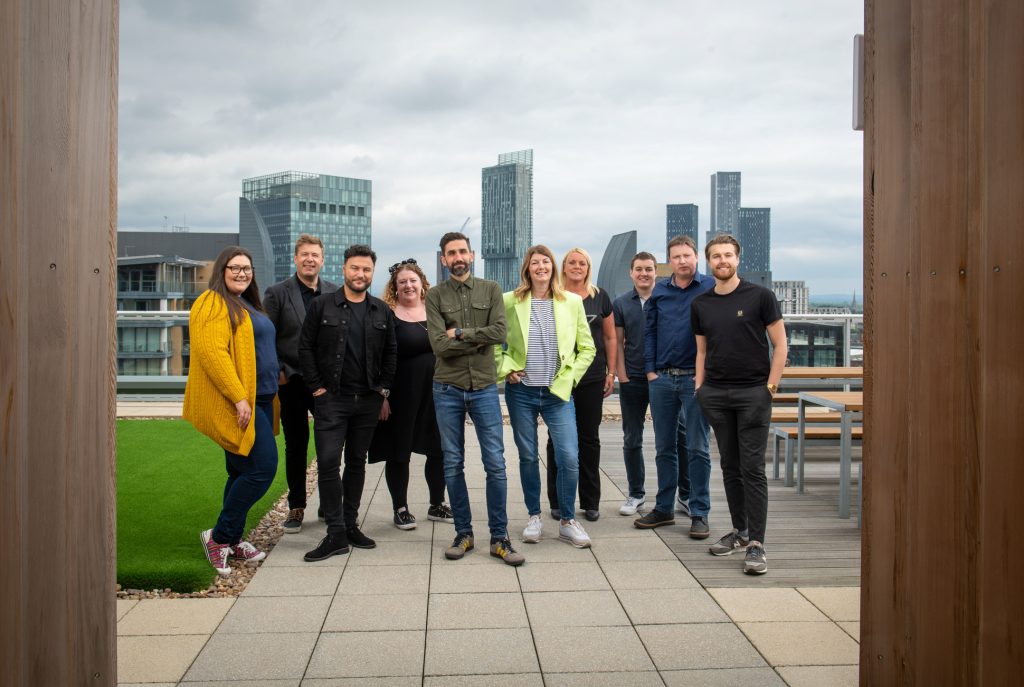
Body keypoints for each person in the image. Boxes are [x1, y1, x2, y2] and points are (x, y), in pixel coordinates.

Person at [426, 232, 524, 566]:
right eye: (451, 252)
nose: (457, 257)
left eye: (462, 251)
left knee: (495, 463)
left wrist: (462, 334)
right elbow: (439, 346)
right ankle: (463, 534)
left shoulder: (491, 289)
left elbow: (499, 333)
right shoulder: (435, 295)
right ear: (443, 259)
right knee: (452, 462)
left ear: (472, 254)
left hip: (483, 388)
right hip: (447, 388)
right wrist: (477, 340)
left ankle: (500, 537)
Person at [693, 234, 787, 575]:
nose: (722, 260)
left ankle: (757, 544)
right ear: (709, 262)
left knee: (752, 469)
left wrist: (770, 388)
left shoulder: (760, 296)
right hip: (716, 395)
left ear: (738, 258)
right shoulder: (701, 304)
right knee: (730, 467)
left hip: (753, 394)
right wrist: (700, 387)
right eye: (716, 256)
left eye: (728, 255)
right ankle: (740, 531)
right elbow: (701, 350)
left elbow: (780, 346)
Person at [184, 246, 279, 577]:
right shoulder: (212, 302)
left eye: (247, 268)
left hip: (262, 400)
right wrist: (239, 397)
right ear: (221, 271)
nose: (242, 273)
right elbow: (213, 354)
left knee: (241, 471)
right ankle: (219, 537)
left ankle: (234, 538)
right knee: (262, 469)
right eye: (235, 267)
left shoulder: (249, 304)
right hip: (239, 404)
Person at [298, 245, 397, 561]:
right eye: (355, 268)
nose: (361, 274)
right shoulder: (322, 306)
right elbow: (305, 349)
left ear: (372, 273)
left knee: (356, 462)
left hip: (366, 401)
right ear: (344, 269)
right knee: (328, 463)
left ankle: (350, 525)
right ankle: (335, 533)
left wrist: (383, 390)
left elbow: (391, 354)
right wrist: (317, 389)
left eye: (366, 270)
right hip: (332, 400)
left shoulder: (381, 311)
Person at [498, 245, 597, 548]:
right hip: (522, 392)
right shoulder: (509, 301)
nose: (541, 266)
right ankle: (533, 517)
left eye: (546, 262)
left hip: (557, 394)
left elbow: (587, 348)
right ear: (526, 268)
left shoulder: (571, 302)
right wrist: (505, 368)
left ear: (553, 267)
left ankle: (567, 520)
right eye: (534, 262)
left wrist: (569, 378)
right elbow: (493, 344)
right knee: (528, 456)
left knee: (568, 455)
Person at [636, 235, 714, 538]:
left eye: (687, 255)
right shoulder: (660, 291)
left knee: (698, 447)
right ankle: (664, 508)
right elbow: (650, 333)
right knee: (664, 447)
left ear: (696, 257)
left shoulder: (709, 288)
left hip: (695, 380)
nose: (682, 261)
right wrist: (650, 371)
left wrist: (705, 376)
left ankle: (699, 512)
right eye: (676, 257)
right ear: (671, 261)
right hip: (663, 380)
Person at [368, 258, 453, 529]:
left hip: (437, 392)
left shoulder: (436, 311)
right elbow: (377, 357)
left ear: (422, 284)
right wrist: (381, 395)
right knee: (399, 451)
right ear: (394, 286)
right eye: (402, 281)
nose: (408, 285)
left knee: (439, 448)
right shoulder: (386, 314)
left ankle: (437, 503)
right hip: (401, 394)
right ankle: (401, 508)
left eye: (412, 280)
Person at [263, 234, 338, 533]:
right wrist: (278, 371)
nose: (310, 259)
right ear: (296, 259)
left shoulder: (334, 291)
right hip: (291, 380)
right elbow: (267, 336)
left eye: (315, 255)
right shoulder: (277, 293)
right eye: (304, 254)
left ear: (322, 259)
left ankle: (328, 502)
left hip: (327, 382)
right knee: (296, 445)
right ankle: (296, 506)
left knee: (330, 444)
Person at [613, 252, 690, 516]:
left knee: (676, 437)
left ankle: (685, 494)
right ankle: (636, 494)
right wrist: (620, 375)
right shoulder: (621, 303)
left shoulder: (667, 299)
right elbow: (618, 342)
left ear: (656, 271)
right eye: (638, 269)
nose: (643, 274)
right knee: (632, 437)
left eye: (648, 269)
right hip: (633, 379)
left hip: (666, 377)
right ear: (631, 273)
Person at [544, 248, 614, 522]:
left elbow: (610, 338)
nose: (576, 266)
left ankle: (590, 500)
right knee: (556, 441)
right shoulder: (553, 296)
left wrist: (612, 372)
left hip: (592, 377)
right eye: (571, 262)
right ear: (563, 267)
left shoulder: (600, 297)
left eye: (582, 263)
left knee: (589, 439)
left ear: (588, 267)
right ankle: (559, 500)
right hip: (560, 377)